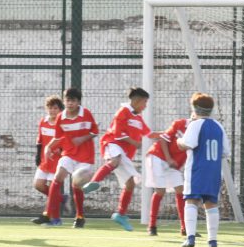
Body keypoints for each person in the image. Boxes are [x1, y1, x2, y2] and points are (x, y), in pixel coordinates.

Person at [82, 87, 160, 231]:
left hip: (125, 155)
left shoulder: (138, 118)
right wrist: (134, 142)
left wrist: (168, 134)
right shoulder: (123, 112)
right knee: (114, 160)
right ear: (136, 101)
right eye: (144, 102)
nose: (145, 106)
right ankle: (94, 182)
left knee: (130, 183)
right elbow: (118, 134)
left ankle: (120, 214)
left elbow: (150, 134)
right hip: (112, 143)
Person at [39, 88, 98, 228]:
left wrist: (82, 138)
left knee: (76, 184)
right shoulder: (61, 117)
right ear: (64, 101)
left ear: (78, 102)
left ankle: (80, 216)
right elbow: (58, 137)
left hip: (85, 157)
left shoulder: (86, 114)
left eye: (73, 100)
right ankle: (50, 215)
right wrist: (49, 148)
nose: (70, 103)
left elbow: (94, 131)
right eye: (67, 100)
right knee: (57, 177)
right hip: (69, 154)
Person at [177, 92, 230, 247]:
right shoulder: (219, 126)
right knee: (211, 203)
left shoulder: (195, 125)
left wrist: (179, 141)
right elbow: (226, 152)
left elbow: (188, 144)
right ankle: (212, 240)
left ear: (194, 109)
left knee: (191, 200)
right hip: (214, 171)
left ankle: (190, 237)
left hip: (197, 170)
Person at [144, 116, 189, 236]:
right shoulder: (179, 124)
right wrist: (169, 158)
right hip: (158, 156)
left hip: (172, 164)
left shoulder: (199, 133)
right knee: (160, 191)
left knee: (181, 189)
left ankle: (185, 228)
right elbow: (163, 140)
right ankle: (152, 226)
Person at [30, 95, 65, 225]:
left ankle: (52, 218)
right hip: (45, 160)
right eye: (50, 108)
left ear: (60, 109)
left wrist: (59, 151)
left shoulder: (62, 123)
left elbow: (65, 141)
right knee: (38, 185)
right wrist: (38, 154)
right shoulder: (43, 121)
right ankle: (61, 199)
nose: (52, 110)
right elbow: (40, 140)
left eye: (55, 108)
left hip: (58, 162)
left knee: (53, 189)